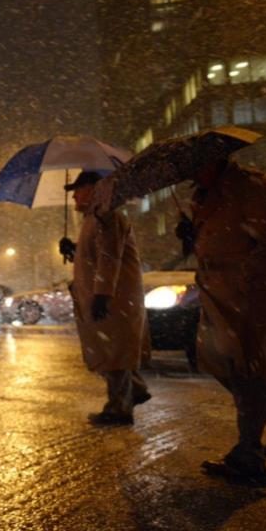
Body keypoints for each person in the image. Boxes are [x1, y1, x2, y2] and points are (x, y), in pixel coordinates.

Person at [183, 157, 266, 478]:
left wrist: (247, 276)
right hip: (217, 293)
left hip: (249, 294)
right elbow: (217, 238)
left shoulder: (251, 186)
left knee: (246, 365)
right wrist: (189, 235)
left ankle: (248, 453)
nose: (189, 171)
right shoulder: (204, 193)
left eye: (193, 164)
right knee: (218, 359)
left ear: (214, 159)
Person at [60, 171, 150, 426]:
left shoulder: (106, 217)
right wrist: (74, 250)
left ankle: (119, 409)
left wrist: (102, 294)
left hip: (112, 300)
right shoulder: (94, 219)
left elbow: (110, 257)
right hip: (103, 297)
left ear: (94, 189)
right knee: (110, 351)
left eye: (79, 189)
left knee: (113, 353)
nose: (75, 196)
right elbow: (96, 255)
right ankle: (134, 390)